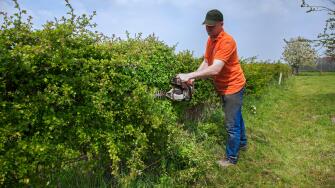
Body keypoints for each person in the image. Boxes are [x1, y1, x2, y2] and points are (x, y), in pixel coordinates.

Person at [177, 9, 247, 167]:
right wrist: (193, 76)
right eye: (206, 26)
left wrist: (188, 75)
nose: (208, 29)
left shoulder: (227, 41)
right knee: (236, 116)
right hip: (223, 86)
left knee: (231, 124)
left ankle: (231, 159)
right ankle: (242, 143)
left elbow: (215, 69)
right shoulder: (211, 40)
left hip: (233, 86)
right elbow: (207, 61)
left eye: (211, 26)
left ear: (221, 24)